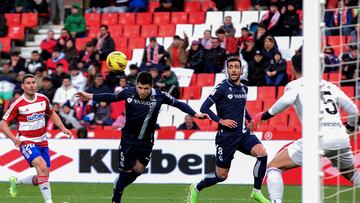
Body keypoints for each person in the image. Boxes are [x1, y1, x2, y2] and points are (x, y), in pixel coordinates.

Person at [75, 71, 207, 203]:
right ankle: (116, 198)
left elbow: (179, 104)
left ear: (151, 86)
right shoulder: (128, 92)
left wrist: (195, 114)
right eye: (140, 88)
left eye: (146, 88)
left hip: (146, 141)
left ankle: (119, 185)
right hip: (128, 140)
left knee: (138, 169)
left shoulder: (159, 96)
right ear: (136, 85)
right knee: (125, 172)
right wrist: (89, 95)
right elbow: (111, 97)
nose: (142, 91)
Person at [253, 52, 360, 203]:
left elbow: (287, 100)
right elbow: (354, 111)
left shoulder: (295, 85)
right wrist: (349, 128)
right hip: (340, 137)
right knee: (352, 174)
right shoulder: (329, 85)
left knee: (274, 167)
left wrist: (264, 116)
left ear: (292, 69)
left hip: (316, 137)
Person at [187, 57, 270, 203]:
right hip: (226, 137)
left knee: (262, 154)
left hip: (243, 134)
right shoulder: (222, 88)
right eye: (230, 67)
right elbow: (204, 108)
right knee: (221, 176)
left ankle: (256, 192)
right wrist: (221, 121)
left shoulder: (244, 88)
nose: (233, 70)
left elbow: (241, 107)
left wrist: (250, 120)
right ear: (227, 70)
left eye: (236, 67)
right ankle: (196, 188)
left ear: (241, 70)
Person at [1, 74, 72, 203]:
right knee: (42, 167)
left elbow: (51, 113)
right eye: (28, 83)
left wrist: (62, 128)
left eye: (33, 82)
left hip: (42, 141)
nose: (32, 85)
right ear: (23, 86)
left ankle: (16, 181)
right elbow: (3, 123)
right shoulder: (18, 104)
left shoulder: (43, 99)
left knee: (43, 176)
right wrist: (13, 138)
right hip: (26, 141)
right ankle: (49, 201)